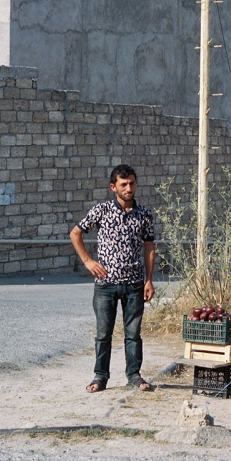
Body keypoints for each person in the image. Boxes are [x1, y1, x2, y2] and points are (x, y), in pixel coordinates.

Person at [70, 163, 156, 392]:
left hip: (134, 284)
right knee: (103, 334)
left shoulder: (145, 214)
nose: (129, 188)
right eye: (123, 184)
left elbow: (149, 247)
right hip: (106, 284)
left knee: (133, 334)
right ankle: (100, 377)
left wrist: (149, 280)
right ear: (113, 187)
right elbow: (76, 232)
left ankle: (134, 375)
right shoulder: (101, 211)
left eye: (132, 183)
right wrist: (88, 261)